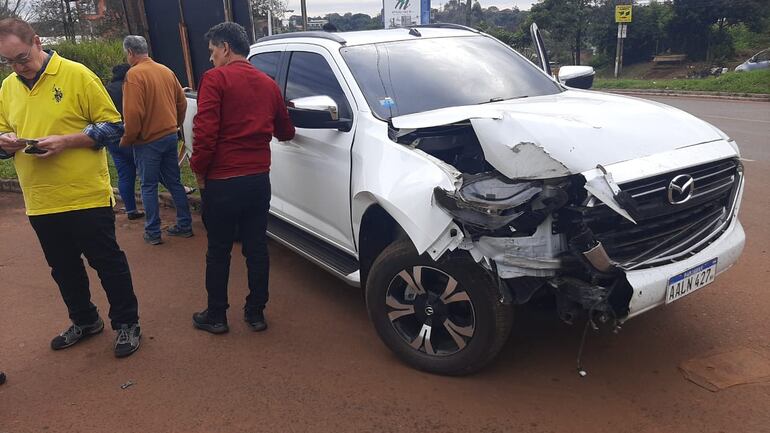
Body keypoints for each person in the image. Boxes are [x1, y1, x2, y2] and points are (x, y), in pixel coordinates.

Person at [0, 18, 141, 357]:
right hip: (41, 200)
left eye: (22, 58)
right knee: (63, 268)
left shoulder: (77, 74)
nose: (19, 68)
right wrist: (4, 143)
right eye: (9, 62)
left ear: (37, 41)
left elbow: (113, 126)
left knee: (107, 263)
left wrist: (68, 141)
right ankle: (85, 320)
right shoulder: (7, 88)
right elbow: (2, 132)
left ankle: (126, 323)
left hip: (85, 195)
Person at [190, 22, 294, 334]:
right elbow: (285, 131)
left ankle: (217, 316)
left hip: (222, 180)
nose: (211, 59)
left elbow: (205, 133)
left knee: (219, 250)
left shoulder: (215, 79)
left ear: (224, 48)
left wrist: (199, 170)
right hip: (257, 180)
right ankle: (255, 313)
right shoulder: (268, 83)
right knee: (256, 247)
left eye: (212, 52)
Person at [120, 35, 192, 245]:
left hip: (147, 141)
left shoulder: (134, 75)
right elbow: (182, 102)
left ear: (130, 53)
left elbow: (133, 115)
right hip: (169, 136)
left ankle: (153, 232)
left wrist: (127, 139)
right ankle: (184, 224)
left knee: (148, 186)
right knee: (174, 182)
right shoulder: (165, 71)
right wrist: (175, 124)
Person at [105, 63, 144, 220]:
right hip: (131, 135)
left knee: (125, 174)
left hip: (112, 137)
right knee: (147, 173)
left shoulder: (106, 90)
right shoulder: (130, 87)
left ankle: (130, 210)